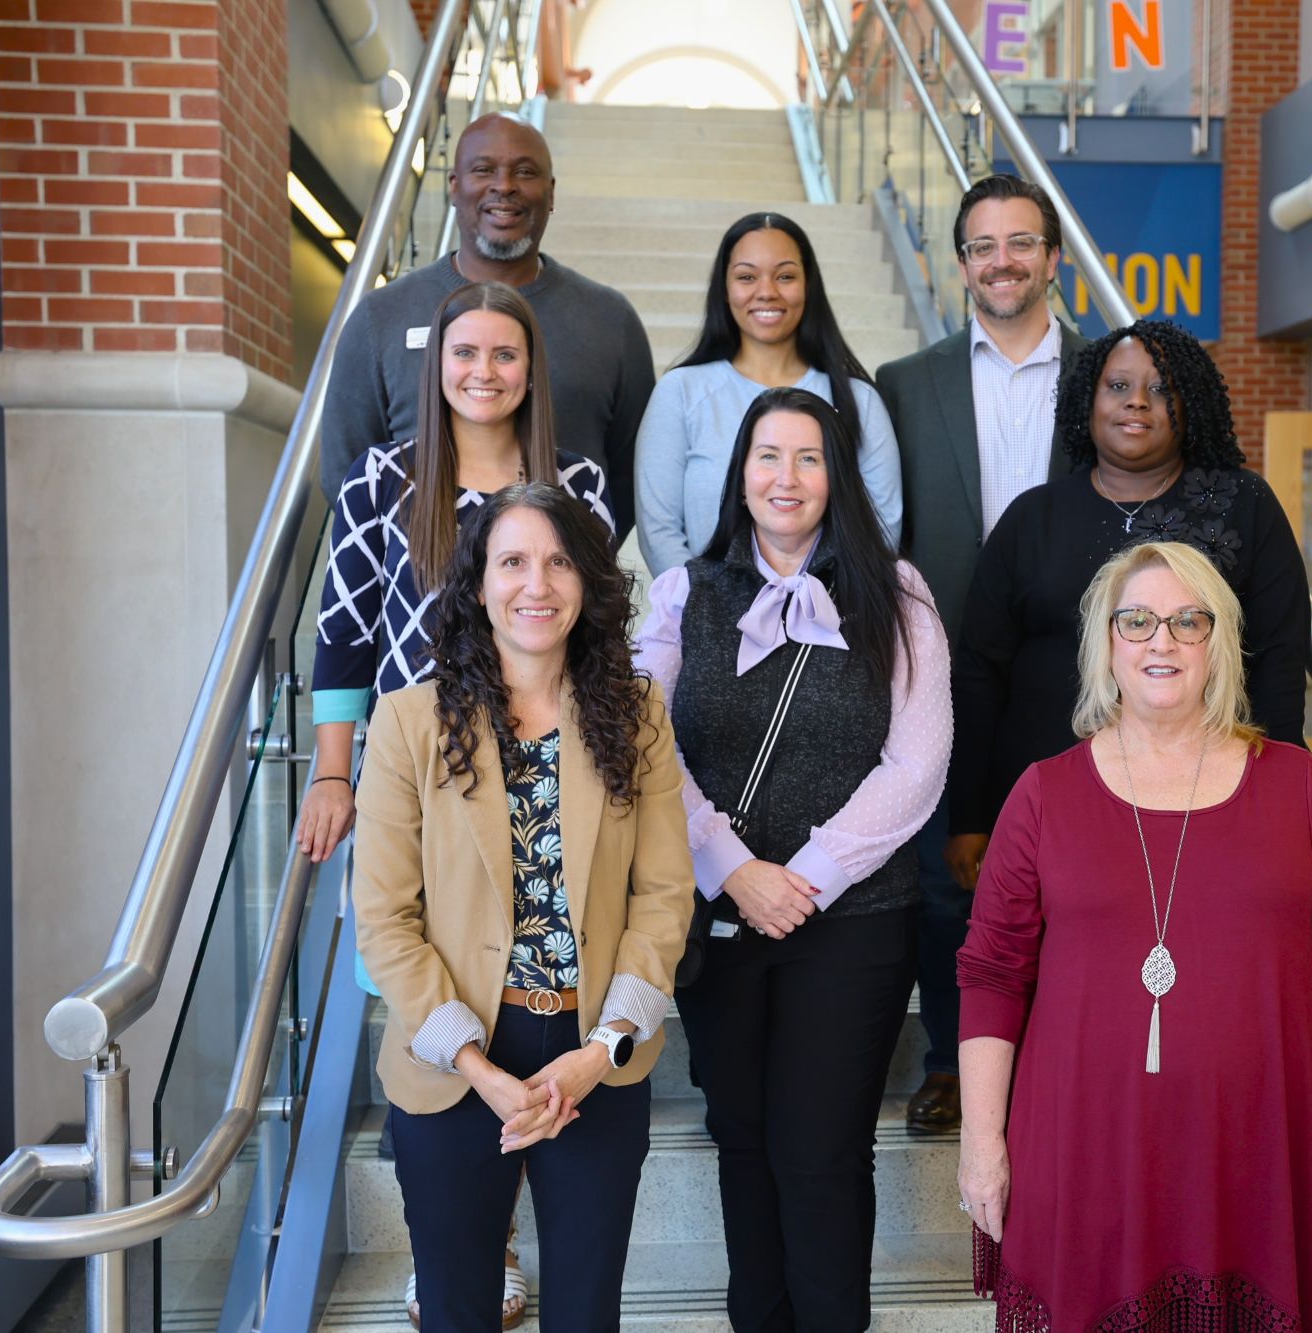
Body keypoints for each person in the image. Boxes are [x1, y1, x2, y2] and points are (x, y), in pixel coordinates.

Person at [955, 540, 1312, 1330]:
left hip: (1263, 1147)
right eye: (1136, 620)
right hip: (1090, 1148)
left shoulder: (1293, 783)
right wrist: (981, 1141)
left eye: (1187, 620)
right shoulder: (1043, 794)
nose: (1160, 640)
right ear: (1106, 641)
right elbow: (993, 976)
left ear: (1219, 643)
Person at [302, 281, 612, 1330]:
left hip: (546, 790)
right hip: (416, 794)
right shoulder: (381, 483)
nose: (483, 371)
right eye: (464, 353)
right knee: (428, 1010)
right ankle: (463, 1247)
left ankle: (511, 1245)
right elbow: (342, 639)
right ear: (434, 370)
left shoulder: (580, 487)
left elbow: (605, 630)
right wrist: (332, 772)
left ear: (534, 371)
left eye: (505, 354)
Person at [633, 387, 948, 1331]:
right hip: (719, 916)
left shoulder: (897, 592)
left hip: (852, 919)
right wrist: (731, 864)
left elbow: (919, 755)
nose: (787, 477)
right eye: (767, 456)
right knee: (741, 1137)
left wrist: (804, 877)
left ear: (836, 475)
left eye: (809, 457)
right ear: (740, 474)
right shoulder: (684, 591)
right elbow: (645, 741)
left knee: (822, 1148)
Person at [351, 482, 695, 1333]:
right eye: (512, 561)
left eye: (558, 560)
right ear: (477, 583)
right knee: (458, 1311)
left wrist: (601, 1050)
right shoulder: (406, 723)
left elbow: (662, 896)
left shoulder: (636, 712)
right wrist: (479, 1068)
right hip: (453, 1063)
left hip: (596, 1054)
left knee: (586, 1312)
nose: (535, 583)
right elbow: (386, 920)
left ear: (587, 581)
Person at [948, 319, 1312, 896]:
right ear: (1086, 401)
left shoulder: (1244, 506)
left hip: (1204, 799)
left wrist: (1277, 798)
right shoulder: (1032, 518)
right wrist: (969, 812)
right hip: (1047, 802)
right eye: (1117, 386)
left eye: (1162, 387)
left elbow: (1279, 663)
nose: (1138, 401)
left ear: (1191, 404)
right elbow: (978, 671)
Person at [874, 174, 1086, 1135]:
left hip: (1080, 672)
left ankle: (1067, 1052)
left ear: (1052, 257)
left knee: (1078, 877)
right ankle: (956, 1062)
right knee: (942, 885)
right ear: (959, 263)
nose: (1001, 261)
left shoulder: (1105, 378)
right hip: (945, 671)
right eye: (981, 246)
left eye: (1020, 242)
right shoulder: (904, 385)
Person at [318, 113, 654, 542]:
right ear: (454, 186)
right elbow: (344, 471)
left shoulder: (609, 320)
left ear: (551, 194)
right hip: (422, 586)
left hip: (554, 593)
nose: (505, 185)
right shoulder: (380, 316)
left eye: (526, 172)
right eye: (484, 170)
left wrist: (574, 563)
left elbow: (633, 478)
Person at [633, 212, 902, 573]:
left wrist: (824, 612)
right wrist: (706, 612)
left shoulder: (858, 400)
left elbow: (882, 528)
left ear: (809, 285)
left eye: (786, 276)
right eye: (746, 277)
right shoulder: (680, 393)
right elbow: (659, 530)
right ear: (725, 289)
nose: (767, 291)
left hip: (833, 621)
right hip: (705, 620)